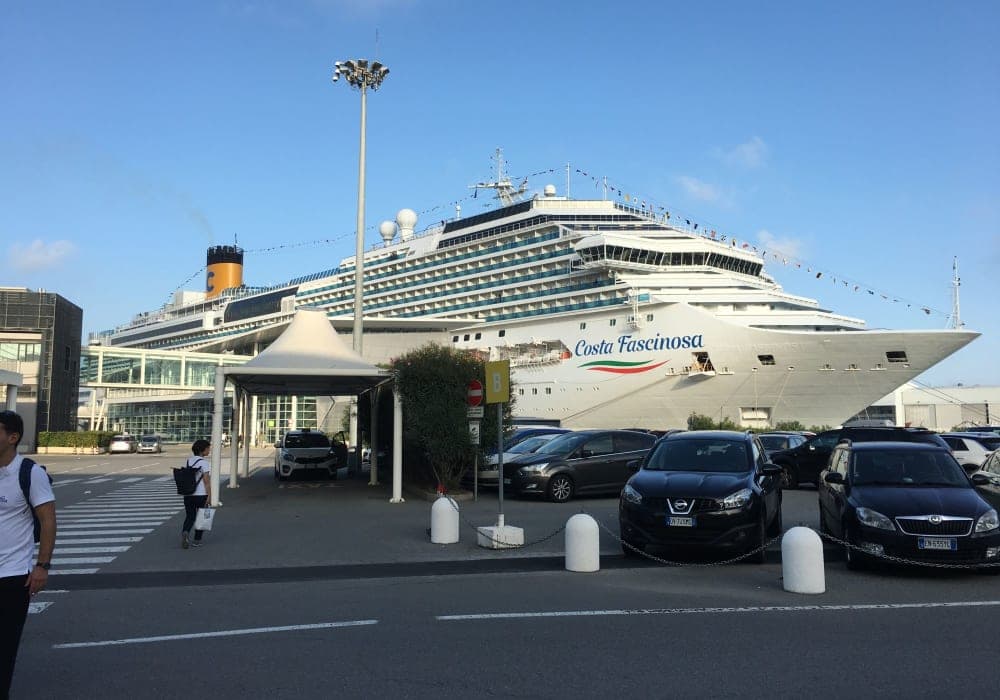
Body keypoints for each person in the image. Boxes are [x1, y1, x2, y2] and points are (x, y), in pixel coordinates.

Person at [0, 410, 56, 699]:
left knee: (4, 648)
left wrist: (42, 566)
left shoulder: (30, 473)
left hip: (12, 576)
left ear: (13, 437)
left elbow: (47, 520)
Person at [180, 439, 212, 549]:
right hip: (201, 494)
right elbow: (206, 481)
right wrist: (209, 496)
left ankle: (185, 532)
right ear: (203, 450)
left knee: (190, 516)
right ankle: (197, 540)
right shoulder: (204, 463)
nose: (209, 450)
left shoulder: (189, 461)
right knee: (202, 517)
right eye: (208, 448)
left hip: (189, 494)